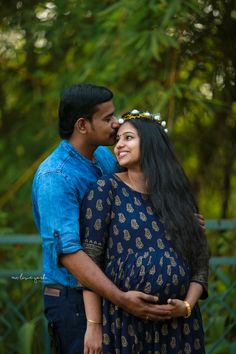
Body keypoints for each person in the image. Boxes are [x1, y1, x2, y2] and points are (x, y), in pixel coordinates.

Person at [32, 85, 173, 354]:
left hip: (108, 296)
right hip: (72, 301)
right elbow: (70, 254)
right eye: (107, 118)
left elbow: (136, 203)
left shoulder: (103, 158)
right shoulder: (56, 177)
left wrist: (180, 218)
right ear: (83, 125)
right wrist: (121, 299)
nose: (117, 123)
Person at [81, 110, 210, 354]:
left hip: (180, 328)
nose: (119, 145)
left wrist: (186, 306)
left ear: (150, 143)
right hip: (123, 324)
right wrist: (94, 325)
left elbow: (200, 264)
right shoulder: (106, 191)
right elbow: (90, 262)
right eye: (118, 139)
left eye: (128, 138)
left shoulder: (179, 197)